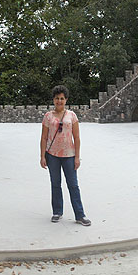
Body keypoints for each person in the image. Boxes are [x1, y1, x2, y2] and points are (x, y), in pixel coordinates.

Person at [40, 85, 91, 226]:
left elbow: (77, 137)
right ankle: (57, 211)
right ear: (53, 100)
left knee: (73, 185)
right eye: (57, 98)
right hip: (52, 155)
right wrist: (42, 156)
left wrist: (77, 157)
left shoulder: (72, 116)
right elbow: (44, 137)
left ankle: (80, 215)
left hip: (69, 155)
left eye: (62, 98)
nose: (59, 101)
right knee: (55, 184)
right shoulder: (48, 116)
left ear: (66, 100)